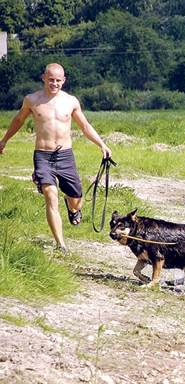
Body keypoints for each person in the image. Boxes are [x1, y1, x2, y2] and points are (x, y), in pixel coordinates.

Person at [0, 63, 112, 254]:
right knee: (51, 196)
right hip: (43, 156)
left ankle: (73, 208)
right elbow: (19, 120)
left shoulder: (71, 101)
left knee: (76, 200)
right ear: (44, 78)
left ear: (63, 81)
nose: (54, 83)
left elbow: (85, 126)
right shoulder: (32, 100)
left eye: (58, 80)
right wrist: (4, 140)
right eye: (51, 79)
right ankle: (61, 244)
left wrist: (102, 144)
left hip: (65, 155)